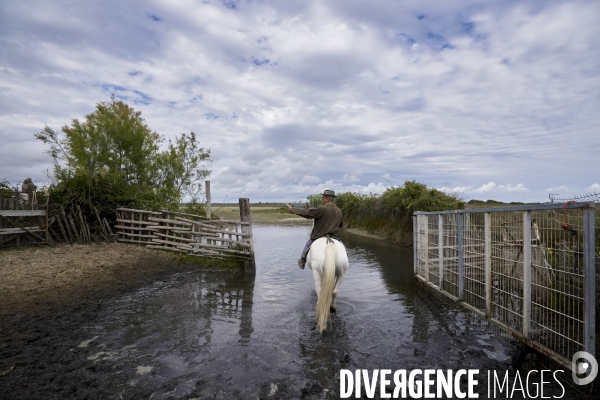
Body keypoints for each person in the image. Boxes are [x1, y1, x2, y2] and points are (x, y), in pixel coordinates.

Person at [286, 189, 343, 269]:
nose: (322, 198)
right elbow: (340, 225)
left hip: (319, 236)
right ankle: (345, 261)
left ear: (327, 198)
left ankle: (302, 260)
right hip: (335, 238)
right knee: (342, 249)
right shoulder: (339, 211)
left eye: (323, 197)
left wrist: (292, 209)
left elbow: (307, 212)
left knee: (308, 243)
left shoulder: (321, 209)